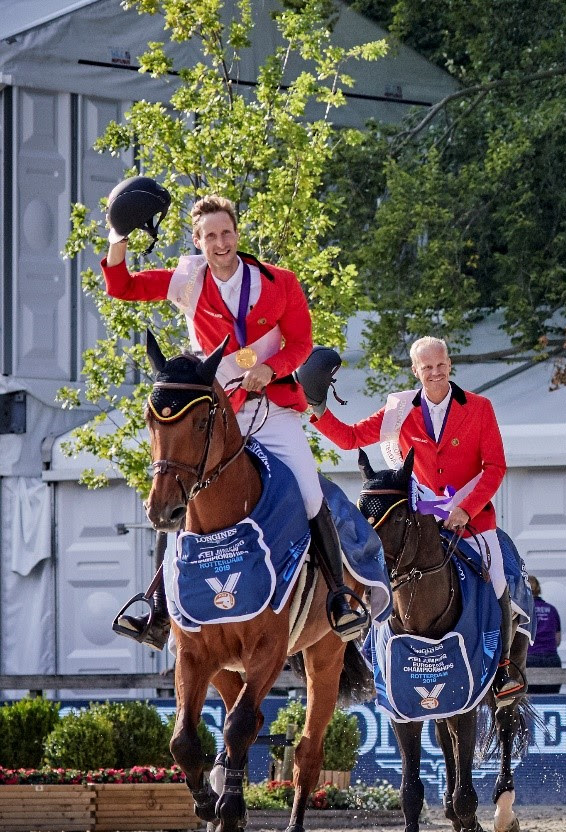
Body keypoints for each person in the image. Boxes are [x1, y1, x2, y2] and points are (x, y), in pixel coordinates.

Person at [104, 193, 368, 648]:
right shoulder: (188, 282)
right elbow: (122, 287)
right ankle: (159, 607)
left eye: (226, 233)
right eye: (210, 236)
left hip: (271, 408)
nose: (220, 242)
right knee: (178, 495)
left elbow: (302, 344)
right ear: (197, 240)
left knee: (308, 491)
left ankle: (339, 597)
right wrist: (118, 235)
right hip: (217, 414)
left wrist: (272, 367)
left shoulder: (279, 281)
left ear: (237, 235)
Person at [312, 336, 521, 701]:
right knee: (378, 572)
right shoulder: (399, 411)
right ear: (415, 370)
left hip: (470, 520)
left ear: (449, 363)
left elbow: (495, 467)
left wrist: (466, 508)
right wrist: (318, 409)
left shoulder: (479, 407)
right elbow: (349, 439)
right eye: (428, 368)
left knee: (499, 581)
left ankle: (503, 668)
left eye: (441, 365)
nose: (436, 373)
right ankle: (376, 655)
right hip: (419, 520)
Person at [525, 576, 563, 694]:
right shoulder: (551, 609)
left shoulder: (523, 610)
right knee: (551, 699)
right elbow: (557, 640)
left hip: (530, 657)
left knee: (531, 701)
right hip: (551, 658)